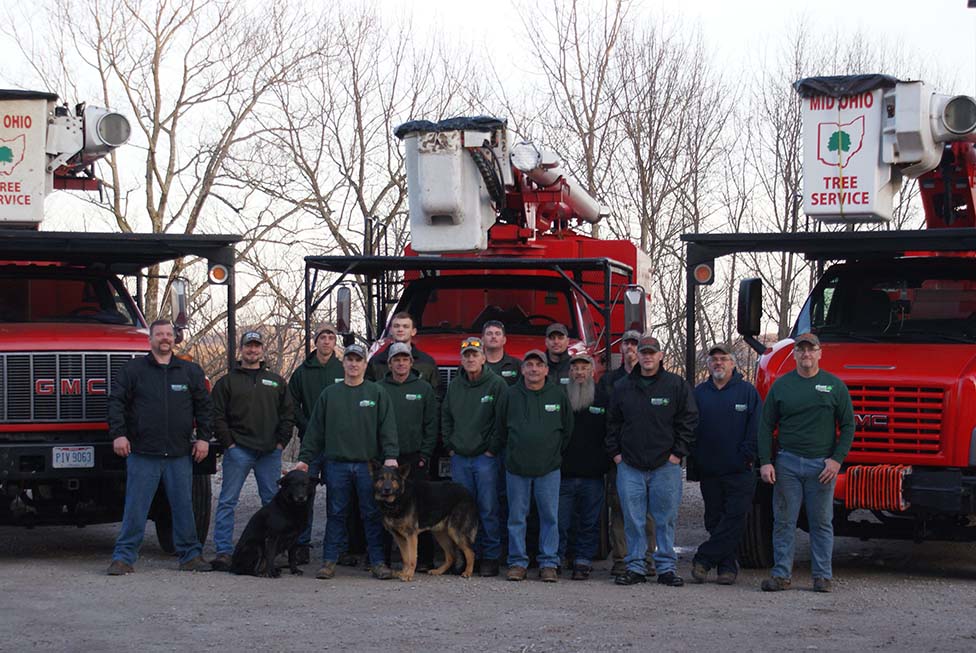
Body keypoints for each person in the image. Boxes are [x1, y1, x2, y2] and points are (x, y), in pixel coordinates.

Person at [106, 319, 213, 575]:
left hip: (179, 453)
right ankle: (123, 558)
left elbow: (205, 407)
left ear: (175, 339)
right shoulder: (133, 370)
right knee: (136, 508)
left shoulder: (190, 371)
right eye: (159, 335)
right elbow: (116, 403)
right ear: (150, 340)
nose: (165, 338)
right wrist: (118, 435)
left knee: (183, 507)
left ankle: (190, 556)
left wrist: (204, 438)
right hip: (143, 453)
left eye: (169, 334)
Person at [758, 333, 854, 594]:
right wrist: (766, 462)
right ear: (795, 355)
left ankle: (822, 576)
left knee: (821, 522)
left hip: (821, 468)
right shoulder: (782, 386)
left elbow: (848, 426)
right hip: (787, 464)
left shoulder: (834, 386)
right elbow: (765, 426)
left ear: (820, 353)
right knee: (784, 521)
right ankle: (781, 575)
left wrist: (836, 461)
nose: (806, 355)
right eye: (801, 350)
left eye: (811, 350)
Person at [295, 343, 400, 581]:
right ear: (343, 363)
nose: (353, 364)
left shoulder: (377, 393)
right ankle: (329, 561)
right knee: (336, 513)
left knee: (371, 514)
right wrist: (304, 459)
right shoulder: (330, 394)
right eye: (350, 359)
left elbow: (388, 428)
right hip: (336, 465)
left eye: (358, 360)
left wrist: (391, 455)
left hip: (367, 467)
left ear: (365, 364)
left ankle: (378, 563)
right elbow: (315, 431)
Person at [606, 335, 698, 587]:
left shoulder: (675, 385)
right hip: (630, 467)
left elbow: (689, 421)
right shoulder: (623, 386)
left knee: (665, 519)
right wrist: (617, 455)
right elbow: (612, 423)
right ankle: (635, 567)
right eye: (643, 352)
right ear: (637, 355)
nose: (647, 356)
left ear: (660, 356)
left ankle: (666, 568)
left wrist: (676, 454)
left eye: (651, 352)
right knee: (633, 520)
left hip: (665, 467)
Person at [210, 331, 295, 571]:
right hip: (239, 451)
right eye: (249, 346)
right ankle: (224, 551)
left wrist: (280, 443)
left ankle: (272, 552)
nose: (253, 350)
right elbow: (217, 416)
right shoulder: (227, 382)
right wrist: (229, 444)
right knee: (227, 501)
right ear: (241, 349)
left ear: (262, 350)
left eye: (257, 346)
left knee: (273, 502)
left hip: (269, 453)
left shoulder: (276, 381)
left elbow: (288, 415)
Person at [689, 343, 761, 586]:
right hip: (709, 469)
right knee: (714, 519)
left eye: (724, 359)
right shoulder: (699, 393)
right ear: (708, 365)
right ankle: (727, 567)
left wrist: (746, 456)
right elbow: (691, 428)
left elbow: (756, 428)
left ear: (733, 363)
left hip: (739, 470)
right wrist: (696, 460)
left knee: (735, 517)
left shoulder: (747, 392)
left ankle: (704, 558)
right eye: (714, 359)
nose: (718, 363)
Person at [500, 349, 573, 582]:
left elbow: (567, 430)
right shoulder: (510, 395)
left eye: (538, 365)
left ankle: (548, 562)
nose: (533, 369)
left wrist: (552, 453)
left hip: (548, 468)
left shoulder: (558, 395)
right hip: (516, 468)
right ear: (522, 369)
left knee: (550, 517)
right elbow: (501, 428)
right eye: (528, 365)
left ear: (546, 370)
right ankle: (518, 562)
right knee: (516, 517)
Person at [289, 322, 357, 566]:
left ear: (334, 342)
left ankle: (339, 547)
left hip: (338, 444)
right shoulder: (303, 371)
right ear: (315, 341)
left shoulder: (343, 368)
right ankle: (300, 545)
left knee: (339, 499)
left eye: (330, 337)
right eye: (322, 337)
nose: (327, 341)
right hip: (312, 443)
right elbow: (291, 403)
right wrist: (306, 425)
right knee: (303, 495)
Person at [441, 337, 509, 577]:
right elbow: (446, 417)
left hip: (485, 458)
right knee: (461, 510)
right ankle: (466, 555)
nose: (470, 359)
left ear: (483, 358)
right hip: (460, 458)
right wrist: (450, 445)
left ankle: (490, 557)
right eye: (466, 355)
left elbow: (501, 421)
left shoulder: (497, 384)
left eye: (474, 355)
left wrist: (492, 448)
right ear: (461, 359)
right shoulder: (455, 386)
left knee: (488, 508)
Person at [601, 329, 657, 577]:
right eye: (627, 343)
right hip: (621, 458)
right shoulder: (609, 381)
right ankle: (621, 559)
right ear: (620, 348)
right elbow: (605, 421)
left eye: (636, 344)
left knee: (648, 512)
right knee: (620, 509)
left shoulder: (656, 379)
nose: (631, 348)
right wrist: (614, 453)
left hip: (650, 458)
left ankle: (647, 558)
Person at [379, 342, 439, 570]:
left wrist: (425, 453)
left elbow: (431, 424)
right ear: (390, 363)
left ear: (411, 362)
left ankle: (424, 559)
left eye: (405, 359)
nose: (401, 363)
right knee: (385, 508)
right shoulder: (379, 388)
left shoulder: (423, 389)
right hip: (388, 459)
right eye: (396, 359)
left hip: (415, 459)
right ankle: (382, 559)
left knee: (419, 508)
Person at [557, 353, 610, 580]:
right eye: (575, 368)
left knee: (589, 522)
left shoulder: (603, 398)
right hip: (563, 473)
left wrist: (606, 462)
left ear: (592, 371)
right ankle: (557, 559)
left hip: (593, 475)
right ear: (569, 372)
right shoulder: (560, 397)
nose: (579, 372)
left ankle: (583, 561)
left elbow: (611, 433)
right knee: (560, 521)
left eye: (584, 368)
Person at [367, 311, 439, 391]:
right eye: (396, 326)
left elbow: (436, 394)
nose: (400, 329)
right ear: (390, 330)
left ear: (413, 331)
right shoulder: (376, 362)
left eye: (405, 326)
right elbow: (369, 392)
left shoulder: (427, 362)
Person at [483, 320, 521, 386]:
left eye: (497, 334)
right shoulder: (475, 365)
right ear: (482, 340)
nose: (493, 337)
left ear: (504, 340)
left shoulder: (517, 365)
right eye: (489, 334)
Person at [544, 323, 572, 387]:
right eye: (552, 338)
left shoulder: (575, 367)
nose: (556, 342)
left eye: (560, 338)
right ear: (546, 341)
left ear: (567, 341)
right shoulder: (537, 367)